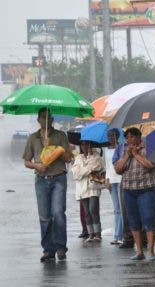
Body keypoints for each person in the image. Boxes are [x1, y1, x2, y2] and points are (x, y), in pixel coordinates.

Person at [23, 107, 72, 262]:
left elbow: (68, 158)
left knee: (57, 212)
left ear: (52, 120)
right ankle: (48, 249)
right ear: (39, 120)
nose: (47, 120)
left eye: (49, 117)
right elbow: (26, 161)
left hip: (58, 178)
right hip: (41, 180)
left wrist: (52, 147)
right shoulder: (32, 138)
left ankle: (60, 247)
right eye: (43, 117)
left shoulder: (60, 135)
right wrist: (37, 166)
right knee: (45, 216)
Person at [114, 127, 155, 261]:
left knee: (148, 218)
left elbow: (150, 165)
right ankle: (139, 251)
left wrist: (137, 155)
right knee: (133, 221)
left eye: (132, 137)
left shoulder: (148, 148)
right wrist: (128, 155)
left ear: (139, 137)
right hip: (128, 189)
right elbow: (118, 169)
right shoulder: (124, 151)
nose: (130, 140)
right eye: (127, 137)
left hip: (146, 189)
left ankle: (150, 251)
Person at [71, 141, 104, 242]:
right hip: (81, 188)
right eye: (82, 144)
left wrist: (83, 170)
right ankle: (91, 234)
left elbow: (97, 167)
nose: (84, 146)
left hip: (93, 186)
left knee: (93, 209)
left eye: (86, 144)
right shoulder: (78, 158)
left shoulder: (96, 156)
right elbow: (75, 173)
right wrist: (88, 170)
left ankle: (98, 233)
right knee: (87, 212)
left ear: (90, 145)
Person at [104, 129, 123, 245]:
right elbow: (107, 167)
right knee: (116, 209)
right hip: (112, 181)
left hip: (120, 180)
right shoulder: (106, 150)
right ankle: (117, 236)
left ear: (117, 136)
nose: (110, 138)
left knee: (121, 209)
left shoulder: (121, 148)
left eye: (112, 136)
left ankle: (120, 235)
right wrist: (106, 180)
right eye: (109, 136)